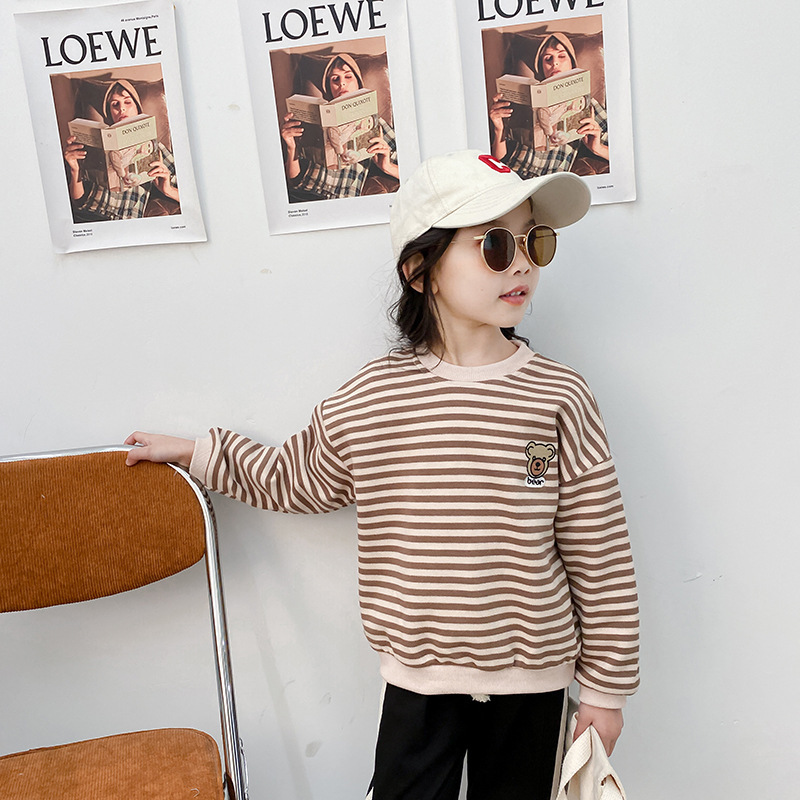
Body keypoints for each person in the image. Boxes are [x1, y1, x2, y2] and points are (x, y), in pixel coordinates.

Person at [125, 150, 639, 800]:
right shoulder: (376, 397)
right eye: (495, 245)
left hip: (533, 682)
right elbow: (296, 478)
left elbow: (599, 551)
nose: (521, 264)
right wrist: (197, 453)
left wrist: (605, 690)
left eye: (534, 241)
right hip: (418, 681)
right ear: (420, 272)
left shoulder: (558, 396)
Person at [490, 32, 609, 177]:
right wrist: (499, 129)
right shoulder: (523, 98)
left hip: (551, 179)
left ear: (572, 64)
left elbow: (622, 154)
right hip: (515, 174)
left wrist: (597, 148)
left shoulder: (586, 102)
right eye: (548, 58)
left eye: (562, 56)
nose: (555, 63)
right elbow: (499, 160)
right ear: (542, 67)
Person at [280, 53, 399, 199]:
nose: (341, 83)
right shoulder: (313, 120)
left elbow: (412, 172)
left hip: (341, 199)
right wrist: (291, 148)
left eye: (348, 76)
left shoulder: (374, 121)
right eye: (335, 79)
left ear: (358, 84)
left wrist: (387, 166)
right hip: (304, 195)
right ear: (329, 87)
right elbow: (294, 180)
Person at [63, 79, 180, 220]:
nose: (121, 109)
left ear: (138, 109)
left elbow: (190, 196)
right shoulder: (94, 144)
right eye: (115, 104)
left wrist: (168, 190)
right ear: (110, 113)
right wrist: (75, 170)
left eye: (127, 102)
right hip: (89, 216)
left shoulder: (154, 145)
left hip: (124, 221)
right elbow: (79, 201)